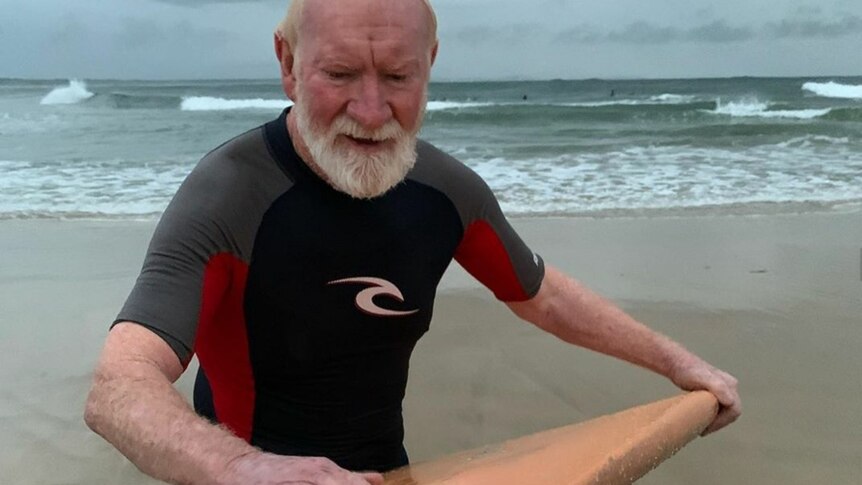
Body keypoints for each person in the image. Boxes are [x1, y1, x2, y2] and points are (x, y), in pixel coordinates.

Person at [84, 0, 741, 484]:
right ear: (287, 63)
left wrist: (681, 363)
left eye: (397, 77)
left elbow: (540, 294)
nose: (372, 112)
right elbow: (119, 387)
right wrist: (246, 468)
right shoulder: (227, 197)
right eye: (339, 74)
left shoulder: (445, 192)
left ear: (429, 65)